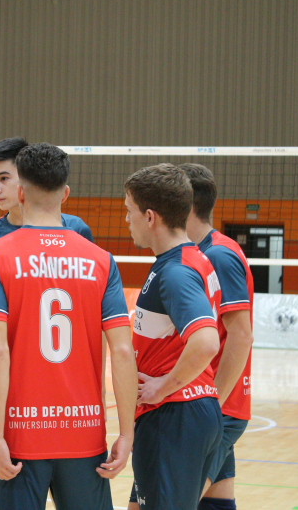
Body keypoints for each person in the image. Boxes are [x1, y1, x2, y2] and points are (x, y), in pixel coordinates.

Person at [0, 143, 137, 510]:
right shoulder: (101, 261)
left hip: (19, 435)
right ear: (65, 193)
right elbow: (123, 350)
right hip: (84, 434)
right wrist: (127, 433)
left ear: (20, 191)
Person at [0, 137, 94, 461]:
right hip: (4, 393)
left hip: (64, 392)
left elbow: (90, 325)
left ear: (25, 179)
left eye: (4, 178)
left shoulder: (76, 232)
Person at [124, 163, 223, 510]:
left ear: (150, 217)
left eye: (129, 211)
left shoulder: (176, 272)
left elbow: (207, 341)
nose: (127, 220)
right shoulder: (189, 259)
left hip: (175, 416)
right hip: (184, 414)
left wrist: (161, 387)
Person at [180, 164, 255, 510]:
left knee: (172, 500)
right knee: (217, 500)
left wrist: (214, 405)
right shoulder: (200, 251)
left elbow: (241, 336)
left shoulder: (218, 255)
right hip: (214, 403)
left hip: (217, 407)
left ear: (188, 204)